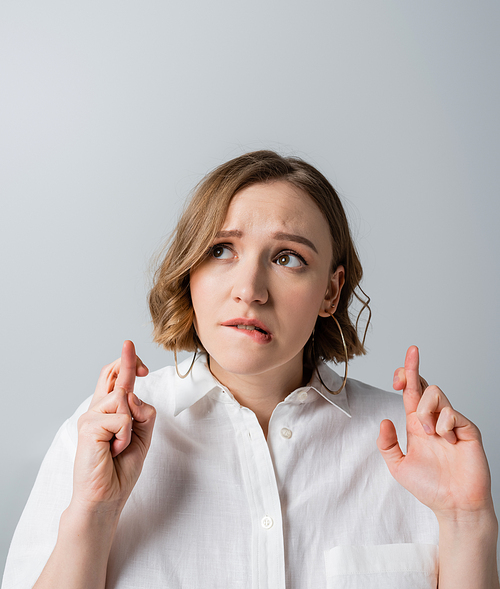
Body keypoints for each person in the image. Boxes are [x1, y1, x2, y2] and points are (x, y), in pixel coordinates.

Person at [2, 150, 498, 589]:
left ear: (330, 290)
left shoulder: (418, 448)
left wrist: (466, 520)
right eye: (221, 251)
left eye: (288, 258)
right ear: (190, 270)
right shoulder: (95, 442)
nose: (250, 289)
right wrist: (92, 514)